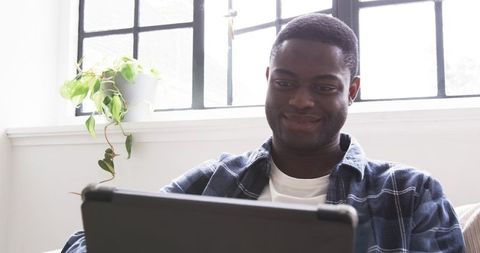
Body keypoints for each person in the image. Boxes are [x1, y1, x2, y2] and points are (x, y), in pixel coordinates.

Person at [62, 13, 465, 252]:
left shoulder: (410, 194)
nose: (301, 101)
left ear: (352, 91)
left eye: (324, 87)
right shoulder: (215, 180)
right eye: (285, 83)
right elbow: (85, 242)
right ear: (269, 79)